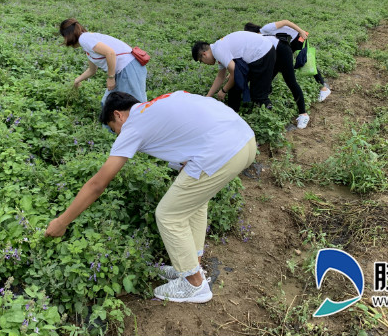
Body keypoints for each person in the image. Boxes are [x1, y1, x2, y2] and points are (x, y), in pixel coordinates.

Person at [44, 91, 257, 304]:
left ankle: (194, 284)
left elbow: (98, 184)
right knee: (193, 204)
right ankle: (192, 266)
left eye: (113, 129)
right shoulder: (154, 108)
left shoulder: (133, 125)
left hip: (224, 150)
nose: (117, 135)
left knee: (168, 214)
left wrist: (62, 222)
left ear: (118, 115)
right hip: (245, 139)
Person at [245, 20, 331, 128]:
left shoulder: (266, 29)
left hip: (293, 40)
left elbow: (285, 22)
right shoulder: (263, 38)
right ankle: (263, 102)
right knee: (272, 75)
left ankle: (304, 112)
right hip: (282, 46)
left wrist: (301, 31)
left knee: (299, 71)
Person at [59, 18, 147, 105]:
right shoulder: (88, 44)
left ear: (68, 36)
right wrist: (77, 81)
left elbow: (110, 53)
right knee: (107, 104)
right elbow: (92, 70)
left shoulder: (84, 39)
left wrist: (111, 78)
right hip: (122, 71)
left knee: (134, 105)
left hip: (129, 68)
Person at [191, 31, 276, 112]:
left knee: (257, 94)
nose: (204, 64)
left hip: (263, 52)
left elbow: (235, 73)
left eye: (201, 61)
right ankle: (233, 111)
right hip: (261, 50)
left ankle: (269, 109)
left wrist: (223, 91)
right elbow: (221, 77)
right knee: (234, 87)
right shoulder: (217, 49)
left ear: (204, 55)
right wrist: (208, 97)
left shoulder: (218, 51)